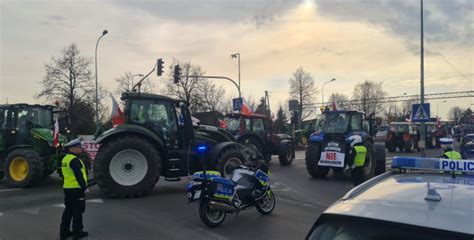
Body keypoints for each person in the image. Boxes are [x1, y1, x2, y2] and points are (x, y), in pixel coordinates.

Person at [59, 138, 89, 240]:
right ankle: (77, 233)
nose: (80, 148)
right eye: (78, 147)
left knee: (68, 211)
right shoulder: (75, 160)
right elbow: (78, 175)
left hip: (67, 188)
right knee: (78, 212)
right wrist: (84, 187)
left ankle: (64, 233)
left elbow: (64, 175)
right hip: (77, 189)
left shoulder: (65, 159)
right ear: (72, 148)